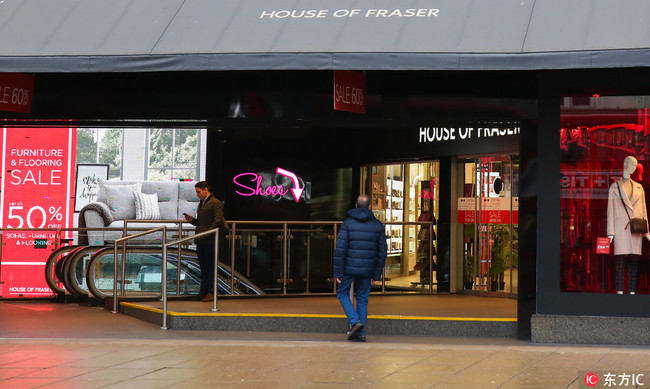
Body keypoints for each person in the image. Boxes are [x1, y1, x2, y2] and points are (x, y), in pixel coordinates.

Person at [334, 194, 387, 342]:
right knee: (363, 299)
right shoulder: (378, 225)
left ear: (356, 206)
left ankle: (355, 322)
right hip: (368, 269)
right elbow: (382, 252)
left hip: (349, 268)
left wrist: (338, 272)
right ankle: (361, 333)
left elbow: (340, 249)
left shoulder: (348, 224)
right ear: (370, 207)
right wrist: (376, 274)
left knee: (342, 293)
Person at [607, 156, 650, 295]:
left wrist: (647, 232)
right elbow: (611, 211)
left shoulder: (639, 188)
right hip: (621, 228)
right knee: (619, 261)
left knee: (633, 261)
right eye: (632, 164)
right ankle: (619, 291)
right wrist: (610, 233)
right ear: (625, 164)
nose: (634, 167)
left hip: (636, 229)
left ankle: (632, 292)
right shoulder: (614, 187)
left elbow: (643, 210)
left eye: (635, 165)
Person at [184, 181, 228, 302]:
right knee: (203, 267)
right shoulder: (202, 203)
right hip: (202, 238)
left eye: (199, 192)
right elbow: (202, 221)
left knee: (210, 266)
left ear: (206, 190)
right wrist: (192, 220)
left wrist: (208, 232)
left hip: (210, 239)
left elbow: (218, 221)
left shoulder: (215, 203)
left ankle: (211, 292)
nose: (197, 194)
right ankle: (203, 291)